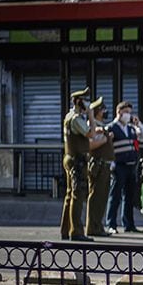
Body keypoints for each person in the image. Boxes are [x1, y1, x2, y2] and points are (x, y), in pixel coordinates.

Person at [106, 101, 143, 234]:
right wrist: (111, 164)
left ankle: (129, 225)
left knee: (129, 197)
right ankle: (111, 224)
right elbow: (107, 148)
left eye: (130, 112)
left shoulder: (131, 128)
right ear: (118, 112)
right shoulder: (111, 128)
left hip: (131, 166)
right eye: (126, 112)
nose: (128, 115)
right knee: (115, 196)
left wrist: (139, 124)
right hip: (119, 166)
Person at [59, 87, 96, 241]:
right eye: (85, 100)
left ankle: (65, 229)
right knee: (77, 195)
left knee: (69, 195)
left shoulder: (69, 116)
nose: (87, 103)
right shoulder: (76, 119)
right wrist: (91, 116)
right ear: (78, 102)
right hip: (77, 161)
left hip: (70, 157)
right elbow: (91, 133)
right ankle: (77, 232)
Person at [84, 96, 114, 237]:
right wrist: (105, 138)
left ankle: (98, 225)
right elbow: (90, 145)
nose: (105, 111)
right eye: (103, 109)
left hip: (105, 166)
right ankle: (93, 227)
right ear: (97, 111)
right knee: (96, 197)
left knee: (102, 198)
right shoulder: (92, 126)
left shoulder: (100, 125)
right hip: (98, 165)